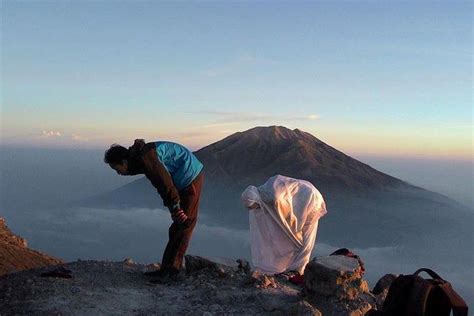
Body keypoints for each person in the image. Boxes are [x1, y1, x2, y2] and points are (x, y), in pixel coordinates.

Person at [104, 139, 204, 279]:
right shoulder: (139, 157)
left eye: (116, 169)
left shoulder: (146, 158)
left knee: (184, 224)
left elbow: (164, 184)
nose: (118, 173)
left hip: (190, 177)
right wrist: (174, 208)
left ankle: (171, 272)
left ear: (124, 162)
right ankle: (168, 269)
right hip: (183, 176)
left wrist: (175, 207)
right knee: (177, 226)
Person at [241, 175, 327, 281]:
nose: (255, 209)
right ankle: (291, 268)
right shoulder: (265, 196)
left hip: (310, 200)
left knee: (307, 236)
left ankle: (298, 270)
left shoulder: (273, 198)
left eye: (255, 206)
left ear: (257, 200)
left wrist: (293, 232)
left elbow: (286, 217)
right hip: (299, 200)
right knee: (296, 236)